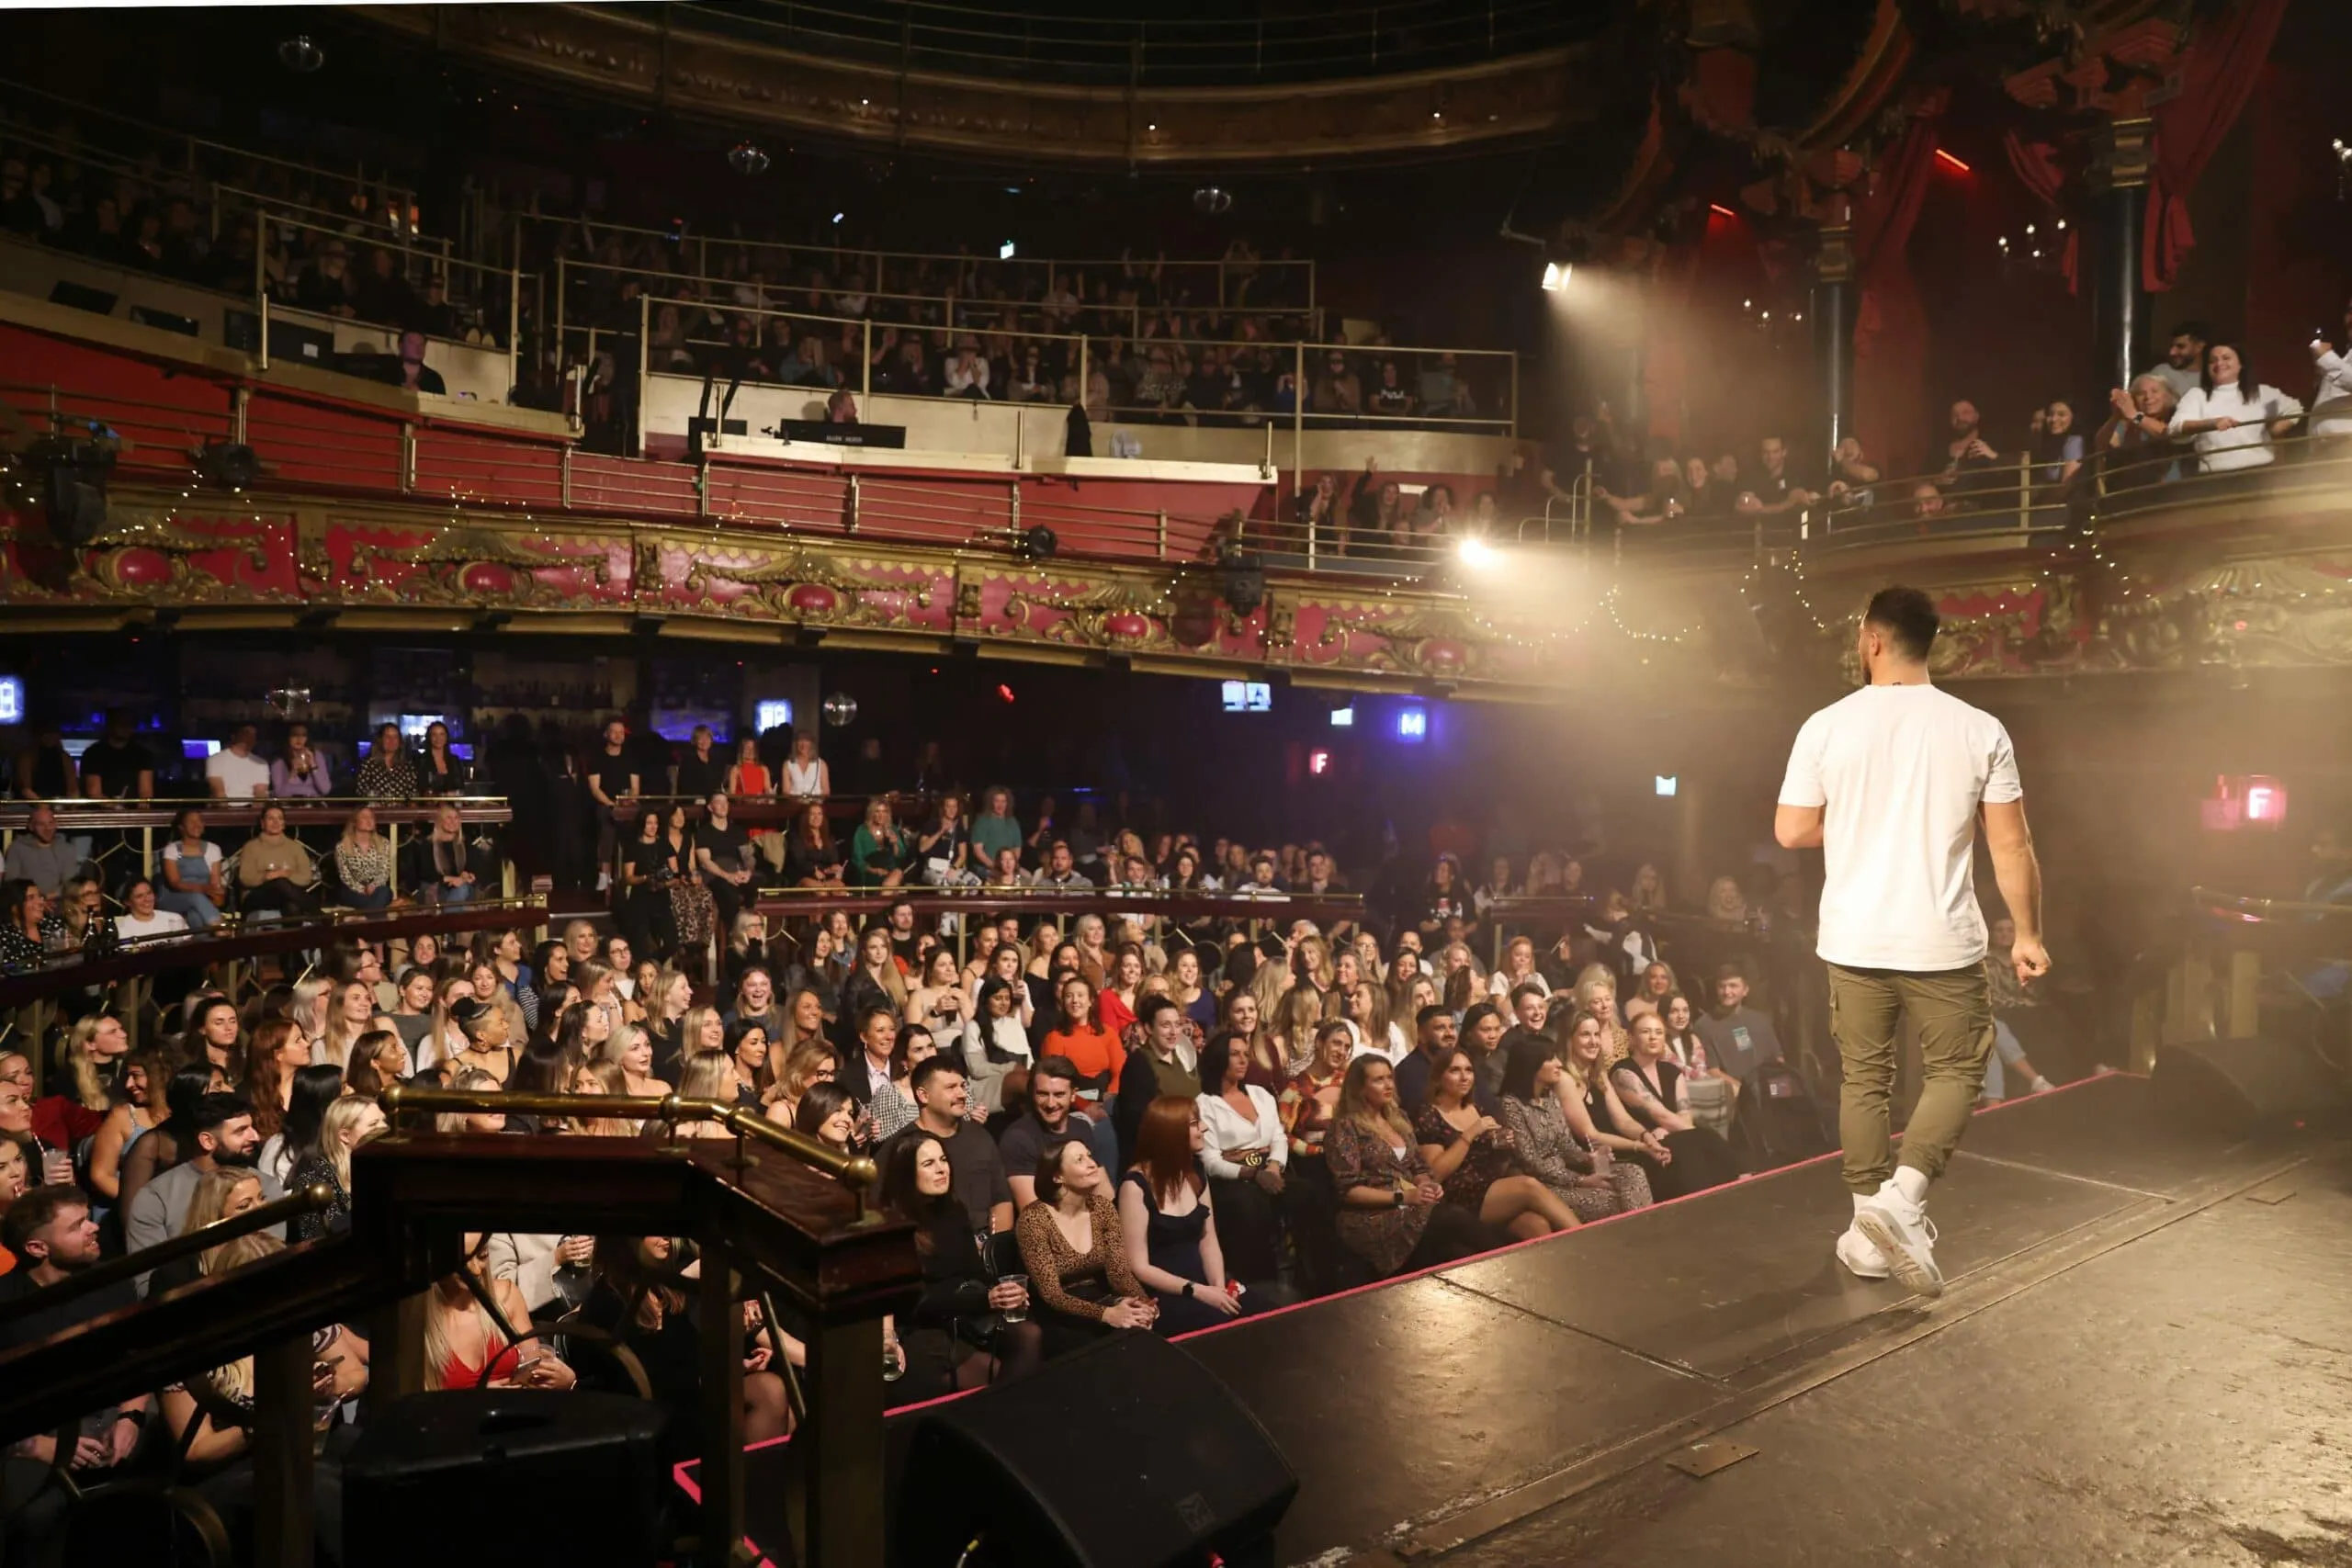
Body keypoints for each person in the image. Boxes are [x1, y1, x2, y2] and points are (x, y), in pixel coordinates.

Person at [1776, 584, 2048, 1296]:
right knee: (1958, 1068)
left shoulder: (1826, 725)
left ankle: (1869, 1228)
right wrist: (2026, 933)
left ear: (1872, 639)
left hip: (1853, 936)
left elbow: (1791, 829)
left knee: (1865, 1077)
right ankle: (1903, 1198)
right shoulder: (1979, 729)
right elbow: (2011, 844)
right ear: (1931, 643)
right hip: (1941, 939)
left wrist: (1861, 821)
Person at [878, 1133, 1040, 1398]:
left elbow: (975, 1273)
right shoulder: (893, 1225)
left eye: (943, 1160)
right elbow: (915, 1301)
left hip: (965, 1308)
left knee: (1029, 1333)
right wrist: (984, 1300)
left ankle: (1015, 1413)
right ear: (906, 1173)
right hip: (923, 1324)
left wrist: (1003, 1293)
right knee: (991, 1370)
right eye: (928, 1164)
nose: (942, 1169)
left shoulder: (953, 1209)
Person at [1327, 1055, 1498, 1280]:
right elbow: (1349, 1190)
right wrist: (1403, 1197)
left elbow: (1419, 1168)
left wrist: (1426, 1185)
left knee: (1459, 1254)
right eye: (1378, 1080)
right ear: (1359, 1088)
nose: (1388, 1085)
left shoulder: (1399, 1119)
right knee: (1454, 1218)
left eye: (1389, 1078)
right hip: (1372, 1216)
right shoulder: (1345, 1127)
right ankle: (1509, 1265)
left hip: (1412, 1205)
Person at [1119, 1096, 1255, 1334]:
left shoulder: (1195, 1171)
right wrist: (1199, 1291)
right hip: (1168, 1292)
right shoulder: (1135, 1185)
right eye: (1194, 1123)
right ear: (1170, 1133)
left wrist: (1218, 1287)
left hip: (1205, 1282)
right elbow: (1139, 1267)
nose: (1204, 1127)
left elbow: (1208, 1239)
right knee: (1226, 1330)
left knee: (1265, 1313)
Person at [1412, 1046, 1580, 1238]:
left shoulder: (1478, 1109)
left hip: (1493, 1188)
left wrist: (1504, 1148)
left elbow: (1496, 1166)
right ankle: (1585, 1237)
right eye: (1455, 1070)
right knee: (1529, 1185)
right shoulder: (1429, 1114)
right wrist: (1469, 1134)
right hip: (1458, 1194)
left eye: (1469, 1070)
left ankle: (1574, 1254)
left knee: (1536, 1225)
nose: (1464, 1077)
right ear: (1438, 1077)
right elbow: (1435, 1173)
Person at [1013, 1138, 1157, 1357]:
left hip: (1099, 1298)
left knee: (1140, 1329)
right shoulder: (1034, 1219)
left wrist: (1144, 1303)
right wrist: (1107, 1315)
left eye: (1090, 1156)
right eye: (1079, 1160)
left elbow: (1119, 1274)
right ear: (1058, 1177)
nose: (1092, 1163)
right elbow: (1052, 1295)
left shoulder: (1103, 1208)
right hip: (1057, 1314)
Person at [123, 1091, 284, 1274]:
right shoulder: (156, 1197)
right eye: (241, 1131)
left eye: (252, 1127)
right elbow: (148, 1277)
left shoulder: (265, 1186)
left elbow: (274, 1257)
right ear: (207, 1141)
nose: (255, 1137)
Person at [1494, 1032, 1649, 1221]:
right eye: (1551, 1059)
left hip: (1569, 1172)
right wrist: (1581, 1180)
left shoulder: (1549, 1097)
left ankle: (1647, 1229)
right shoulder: (1511, 1104)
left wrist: (1590, 1159)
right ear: (1532, 1064)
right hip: (1543, 1185)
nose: (1559, 1063)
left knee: (1633, 1172)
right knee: (1609, 1200)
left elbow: (1566, 1146)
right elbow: (1531, 1163)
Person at [1610, 1012, 1745, 1198]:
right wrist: (1706, 1137)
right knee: (1697, 1144)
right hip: (1648, 1147)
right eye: (1646, 1032)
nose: (1653, 1037)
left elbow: (1685, 1115)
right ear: (1632, 1038)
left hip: (1677, 1138)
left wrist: (1674, 1131)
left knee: (1691, 1145)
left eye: (1658, 1032)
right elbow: (1661, 1115)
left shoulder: (1672, 1071)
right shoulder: (1622, 1072)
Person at [1193, 1030, 1286, 1286]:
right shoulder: (1205, 1103)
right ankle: (1257, 1284)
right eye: (1235, 1054)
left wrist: (1274, 1167)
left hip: (1271, 1167)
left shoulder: (1261, 1094)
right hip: (1233, 1178)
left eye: (1246, 1054)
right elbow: (1211, 1161)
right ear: (1218, 1059)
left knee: (1308, 1195)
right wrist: (1253, 1173)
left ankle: (1311, 1281)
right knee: (1248, 1203)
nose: (1243, 1060)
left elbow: (1279, 1137)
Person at [890, 1057, 1012, 1235]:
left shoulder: (980, 1137)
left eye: (962, 1086)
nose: (962, 1094)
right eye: (951, 1088)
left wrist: (993, 1245)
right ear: (923, 1095)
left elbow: (1001, 1200)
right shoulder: (902, 1145)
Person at [2167, 340, 2304, 473]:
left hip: (2262, 472)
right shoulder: (2196, 395)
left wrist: (2275, 430)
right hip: (2215, 477)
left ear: (2241, 364)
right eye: (2212, 360)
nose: (2219, 363)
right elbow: (2174, 428)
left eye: (2226, 358)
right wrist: (2212, 423)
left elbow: (2295, 408)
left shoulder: (2262, 392)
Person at [1001, 1055, 1119, 1207]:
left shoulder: (1082, 1128)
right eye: (1042, 1094)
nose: (1051, 1104)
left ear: (1073, 1095)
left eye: (1059, 1095)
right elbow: (1033, 1212)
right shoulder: (1018, 1138)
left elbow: (1104, 1194)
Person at [236, 805, 320, 918]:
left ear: (284, 824)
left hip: (287, 896)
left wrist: (286, 874)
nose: (275, 822)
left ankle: (311, 923)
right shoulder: (251, 847)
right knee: (279, 882)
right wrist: (266, 876)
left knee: (292, 906)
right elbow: (245, 878)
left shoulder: (295, 847)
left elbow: (306, 878)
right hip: (257, 897)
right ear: (262, 823)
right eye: (271, 818)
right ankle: (321, 915)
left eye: (279, 818)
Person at [204, 722, 272, 801]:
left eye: (253, 735)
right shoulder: (215, 759)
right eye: (246, 734)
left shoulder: (261, 763)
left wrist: (255, 808)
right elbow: (219, 792)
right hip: (223, 807)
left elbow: (260, 794)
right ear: (234, 736)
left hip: (250, 807)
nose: (250, 738)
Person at [781, 732, 830, 799]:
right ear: (795, 744)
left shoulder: (821, 764)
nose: (803, 744)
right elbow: (786, 791)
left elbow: (826, 791)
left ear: (812, 744)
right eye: (800, 741)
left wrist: (814, 802)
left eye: (806, 741)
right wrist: (798, 801)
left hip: (816, 804)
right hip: (795, 803)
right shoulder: (788, 764)